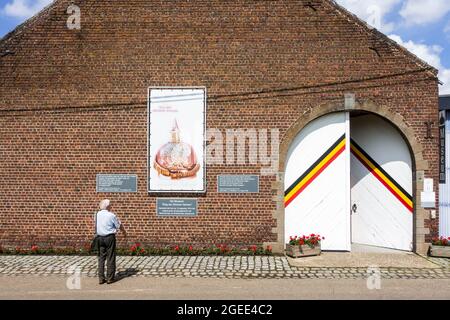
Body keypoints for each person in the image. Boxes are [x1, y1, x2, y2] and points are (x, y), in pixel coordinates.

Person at [95, 199, 126, 284]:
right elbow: (118, 225)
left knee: (101, 258)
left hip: (100, 237)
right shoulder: (111, 215)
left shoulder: (97, 214)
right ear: (107, 206)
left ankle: (101, 278)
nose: (111, 206)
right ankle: (110, 278)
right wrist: (124, 232)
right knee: (111, 257)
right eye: (110, 205)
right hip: (109, 237)